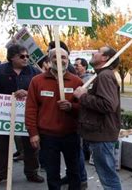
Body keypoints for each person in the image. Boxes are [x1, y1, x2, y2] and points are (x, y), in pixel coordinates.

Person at [0, 44, 44, 187]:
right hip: (3, 115)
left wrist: (28, 93)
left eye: (27, 56)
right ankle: (0, 174)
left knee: (31, 145)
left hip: (27, 115)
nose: (26, 58)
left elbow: (42, 91)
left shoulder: (34, 72)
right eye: (22, 56)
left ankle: (32, 172)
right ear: (12, 57)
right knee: (0, 147)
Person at [25, 48, 83, 190]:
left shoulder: (76, 81)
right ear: (49, 61)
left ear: (67, 60)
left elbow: (84, 109)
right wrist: (33, 133)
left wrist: (71, 107)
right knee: (52, 172)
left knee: (74, 171)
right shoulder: (37, 81)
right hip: (48, 136)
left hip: (71, 134)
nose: (60, 60)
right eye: (56, 57)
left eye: (63, 57)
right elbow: (31, 109)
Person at [74, 46, 121, 190]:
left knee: (108, 176)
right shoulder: (100, 75)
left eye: (98, 51)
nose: (94, 52)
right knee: (107, 173)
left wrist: (83, 96)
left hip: (103, 135)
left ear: (105, 58)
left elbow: (108, 105)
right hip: (101, 133)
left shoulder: (105, 75)